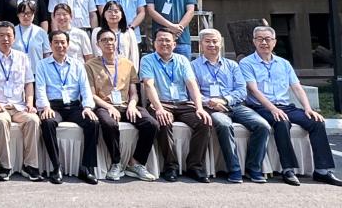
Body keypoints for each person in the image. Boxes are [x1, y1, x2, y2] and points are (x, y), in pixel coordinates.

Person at [242, 25, 342, 186]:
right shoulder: (246, 63)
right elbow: (253, 90)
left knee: (316, 122)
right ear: (254, 41)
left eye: (267, 39)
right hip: (262, 107)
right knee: (282, 122)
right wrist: (273, 109)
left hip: (286, 106)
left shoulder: (284, 64)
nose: (264, 42)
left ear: (274, 42)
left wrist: (308, 108)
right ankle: (288, 169)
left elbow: (297, 87)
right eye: (259, 39)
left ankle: (322, 171)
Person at [192, 28, 271, 184]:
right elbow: (193, 92)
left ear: (221, 43)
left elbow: (241, 90)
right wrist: (210, 102)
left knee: (263, 126)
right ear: (201, 44)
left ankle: (253, 168)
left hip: (235, 105)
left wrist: (225, 100)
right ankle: (234, 169)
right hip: (210, 108)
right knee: (224, 125)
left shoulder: (232, 65)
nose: (212, 44)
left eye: (215, 41)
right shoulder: (193, 66)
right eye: (207, 41)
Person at [139, 30, 213, 183]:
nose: (164, 43)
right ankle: (170, 166)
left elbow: (191, 84)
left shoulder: (182, 60)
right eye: (160, 40)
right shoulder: (147, 60)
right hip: (161, 103)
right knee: (163, 121)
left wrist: (199, 108)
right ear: (154, 43)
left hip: (183, 104)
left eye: (167, 40)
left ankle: (194, 166)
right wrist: (159, 108)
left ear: (174, 44)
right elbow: (148, 84)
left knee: (204, 121)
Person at [86, 28, 159, 182]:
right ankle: (116, 163)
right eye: (104, 40)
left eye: (111, 39)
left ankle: (136, 163)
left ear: (116, 42)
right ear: (98, 44)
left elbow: (134, 92)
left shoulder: (127, 64)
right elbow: (92, 95)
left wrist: (132, 105)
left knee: (151, 124)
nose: (108, 43)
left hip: (126, 106)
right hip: (104, 106)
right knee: (109, 124)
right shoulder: (90, 65)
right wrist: (109, 107)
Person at [34, 30, 99, 185]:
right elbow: (40, 88)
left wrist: (87, 107)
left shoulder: (78, 65)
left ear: (68, 44)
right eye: (56, 42)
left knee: (93, 122)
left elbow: (85, 89)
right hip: (53, 106)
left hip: (74, 106)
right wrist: (45, 107)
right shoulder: (42, 65)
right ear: (50, 45)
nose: (60, 45)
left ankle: (86, 168)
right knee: (48, 122)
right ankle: (56, 167)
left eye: (63, 42)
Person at [0, 22, 42, 182]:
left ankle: (30, 166)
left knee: (33, 120)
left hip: (18, 105)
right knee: (1, 120)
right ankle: (5, 166)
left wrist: (30, 103)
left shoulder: (23, 57)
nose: (5, 39)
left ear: (14, 38)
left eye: (9, 35)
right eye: (1, 35)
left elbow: (29, 83)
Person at [91, 1, 140, 68]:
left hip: (125, 69)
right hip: (103, 69)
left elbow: (134, 55)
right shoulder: (97, 32)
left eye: (116, 11)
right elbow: (96, 52)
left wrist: (133, 71)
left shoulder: (129, 32)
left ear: (122, 15)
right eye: (109, 11)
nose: (113, 14)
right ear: (104, 15)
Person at [13, 1, 50, 67]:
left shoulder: (41, 32)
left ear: (33, 14)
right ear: (18, 14)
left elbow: (46, 54)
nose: (26, 16)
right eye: (22, 13)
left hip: (37, 71)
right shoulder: (12, 32)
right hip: (17, 70)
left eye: (29, 13)